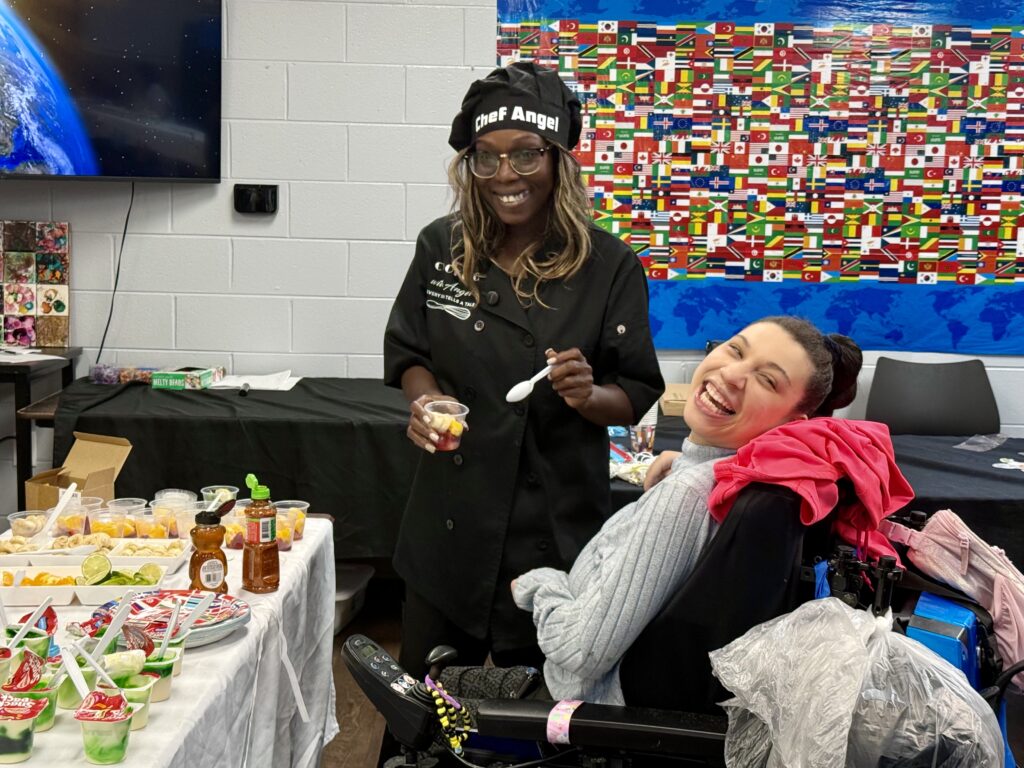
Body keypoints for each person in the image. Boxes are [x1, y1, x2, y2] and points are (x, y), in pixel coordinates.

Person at [383, 62, 664, 677]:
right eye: (486, 157)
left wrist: (589, 396)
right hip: (449, 522)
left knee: (537, 719)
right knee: (425, 707)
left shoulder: (609, 264)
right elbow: (411, 355)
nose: (504, 175)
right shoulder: (442, 246)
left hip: (555, 532)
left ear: (559, 158)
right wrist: (425, 403)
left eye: (526, 155)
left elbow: (638, 393)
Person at [512, 316, 865, 704]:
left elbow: (582, 653)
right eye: (735, 350)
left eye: (767, 380)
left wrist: (541, 586)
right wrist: (685, 462)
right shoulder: (719, 476)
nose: (732, 374)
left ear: (792, 423)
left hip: (577, 707)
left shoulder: (685, 495)